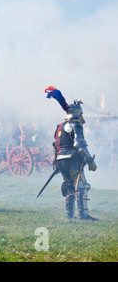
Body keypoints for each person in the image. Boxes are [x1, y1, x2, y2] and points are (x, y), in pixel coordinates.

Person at [45, 86, 98, 220]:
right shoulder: (75, 124)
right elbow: (78, 144)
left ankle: (70, 216)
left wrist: (57, 162)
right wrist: (90, 161)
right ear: (78, 113)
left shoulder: (60, 127)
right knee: (81, 185)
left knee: (69, 186)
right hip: (72, 159)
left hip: (60, 161)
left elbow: (56, 146)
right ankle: (83, 215)